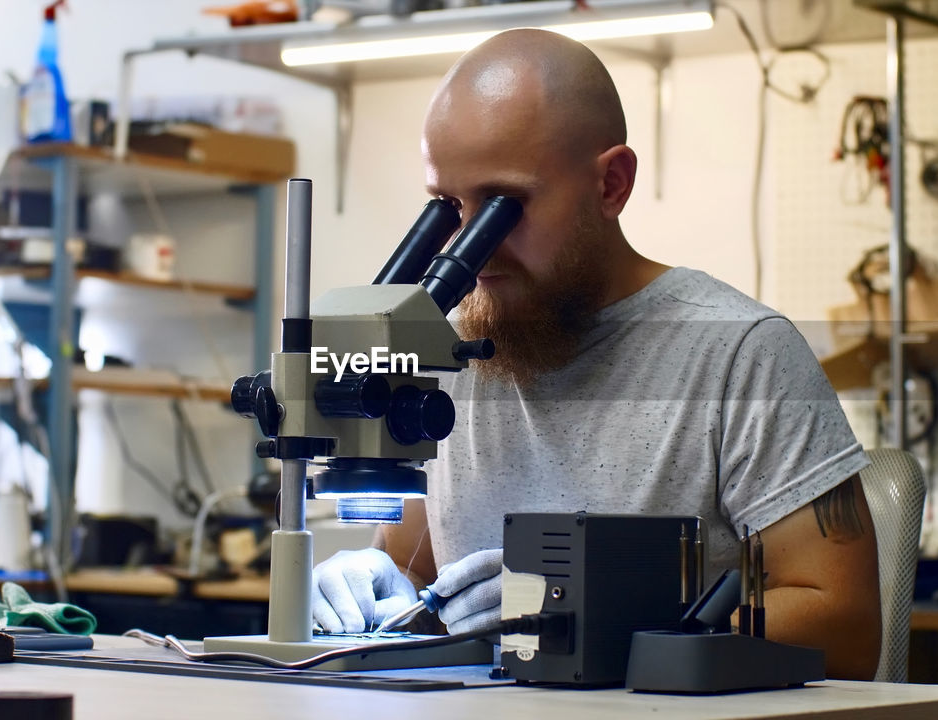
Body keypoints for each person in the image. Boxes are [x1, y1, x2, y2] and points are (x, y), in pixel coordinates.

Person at [312, 28, 882, 680]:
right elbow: (418, 572)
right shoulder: (449, 354)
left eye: (505, 206)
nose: (474, 247)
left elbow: (847, 629)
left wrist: (598, 619)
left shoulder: (741, 355)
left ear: (611, 183)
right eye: (448, 209)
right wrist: (375, 579)